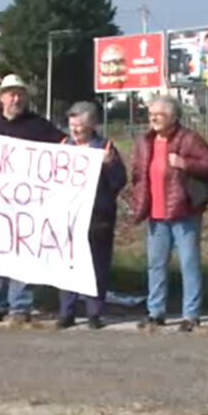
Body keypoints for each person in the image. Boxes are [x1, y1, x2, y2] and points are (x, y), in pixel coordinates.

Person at [0, 74, 65, 324]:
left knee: (22, 254)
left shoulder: (39, 126)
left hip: (26, 205)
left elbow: (65, 147)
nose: (16, 98)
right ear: (1, 97)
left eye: (20, 94)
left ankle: (20, 306)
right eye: (11, 93)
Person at [131, 95, 208, 332]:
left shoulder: (188, 138)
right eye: (151, 114)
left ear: (172, 117)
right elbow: (138, 172)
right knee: (155, 264)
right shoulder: (144, 141)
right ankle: (155, 312)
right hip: (155, 213)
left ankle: (191, 314)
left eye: (158, 114)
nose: (153, 118)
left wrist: (185, 163)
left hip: (184, 211)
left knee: (189, 263)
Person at [56, 102, 127, 330]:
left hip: (98, 216)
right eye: (72, 124)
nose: (75, 130)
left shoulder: (105, 147)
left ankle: (94, 312)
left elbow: (119, 182)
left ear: (91, 125)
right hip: (68, 216)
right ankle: (66, 311)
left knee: (97, 264)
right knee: (68, 264)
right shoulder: (62, 145)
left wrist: (109, 166)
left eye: (80, 125)